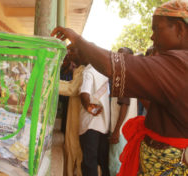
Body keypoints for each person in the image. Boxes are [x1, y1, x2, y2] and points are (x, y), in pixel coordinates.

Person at [51, 0, 188, 175]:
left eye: (156, 28)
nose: (152, 37)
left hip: (168, 165)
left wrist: (77, 39)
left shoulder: (178, 64)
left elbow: (113, 65)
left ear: (179, 29)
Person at [109, 47, 138, 176]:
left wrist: (116, 131)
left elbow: (124, 105)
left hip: (121, 132)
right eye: (117, 55)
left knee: (116, 166)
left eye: (122, 55)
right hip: (127, 130)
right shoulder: (131, 76)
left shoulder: (123, 78)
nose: (118, 58)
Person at [59, 46, 87, 176]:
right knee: (70, 146)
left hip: (79, 117)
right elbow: (71, 85)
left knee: (76, 149)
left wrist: (50, 82)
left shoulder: (85, 71)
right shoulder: (80, 69)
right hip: (73, 113)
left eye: (72, 50)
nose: (69, 53)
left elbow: (71, 89)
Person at [79, 64, 110, 176]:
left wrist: (92, 109)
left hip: (90, 124)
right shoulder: (105, 72)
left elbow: (84, 94)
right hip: (104, 125)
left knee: (89, 162)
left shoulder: (89, 71)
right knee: (103, 161)